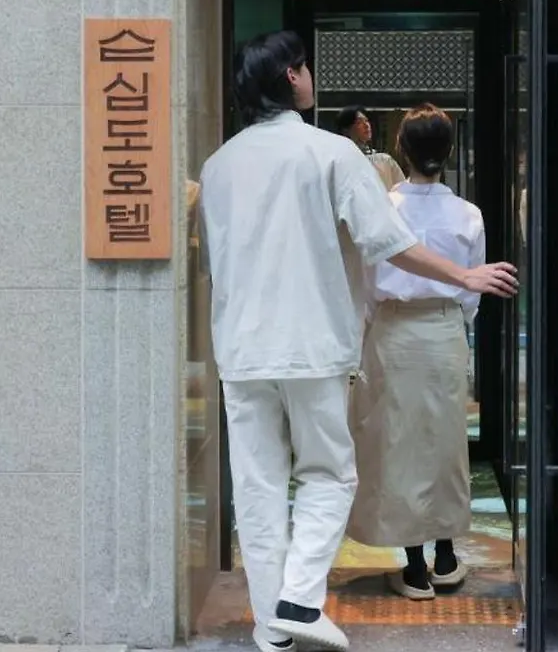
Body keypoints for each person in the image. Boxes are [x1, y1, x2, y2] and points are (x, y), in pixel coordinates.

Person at [200, 33, 518, 652]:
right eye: (305, 67)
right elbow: (388, 241)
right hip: (313, 343)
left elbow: (214, 262)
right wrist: (463, 276)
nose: (310, 75)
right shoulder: (331, 153)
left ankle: (272, 626)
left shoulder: (219, 165)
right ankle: (299, 599)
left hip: (239, 347)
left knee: (259, 486)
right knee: (328, 475)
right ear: (291, 77)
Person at [347, 104, 505, 599]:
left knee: (398, 446)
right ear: (450, 151)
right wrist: (453, 318)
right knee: (446, 444)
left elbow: (365, 284)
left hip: (392, 331)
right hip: (443, 329)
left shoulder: (384, 208)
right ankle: (447, 555)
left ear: (402, 150)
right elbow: (472, 292)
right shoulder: (468, 215)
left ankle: (414, 566)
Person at [334, 105, 406, 190]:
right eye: (359, 122)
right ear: (346, 130)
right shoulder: (338, 162)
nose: (366, 125)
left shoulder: (384, 160)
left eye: (367, 121)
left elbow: (402, 189)